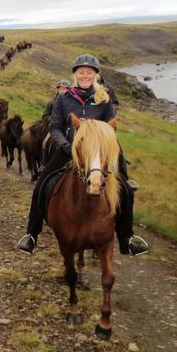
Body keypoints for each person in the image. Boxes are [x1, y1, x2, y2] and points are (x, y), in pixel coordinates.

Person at [17, 54, 149, 256]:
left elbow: (112, 126)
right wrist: (66, 145)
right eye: (81, 72)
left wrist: (102, 142)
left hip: (97, 152)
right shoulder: (63, 99)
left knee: (125, 189)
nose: (85, 75)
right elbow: (55, 126)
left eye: (89, 72)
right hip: (69, 150)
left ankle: (127, 238)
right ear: (75, 75)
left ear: (95, 75)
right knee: (42, 184)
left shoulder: (104, 98)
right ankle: (32, 235)